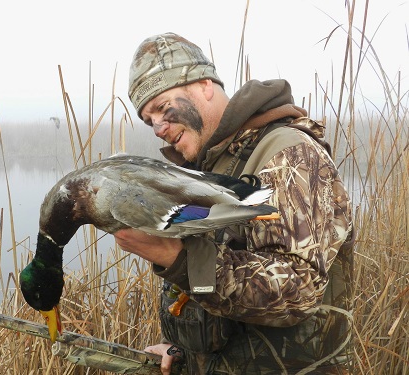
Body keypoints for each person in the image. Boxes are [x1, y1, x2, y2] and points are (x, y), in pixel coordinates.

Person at [114, 32, 355, 375]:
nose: (157, 127)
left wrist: (176, 258)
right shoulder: (205, 171)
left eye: (162, 108)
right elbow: (225, 318)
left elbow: (296, 290)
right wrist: (182, 351)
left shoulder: (285, 153)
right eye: (148, 119)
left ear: (205, 85)